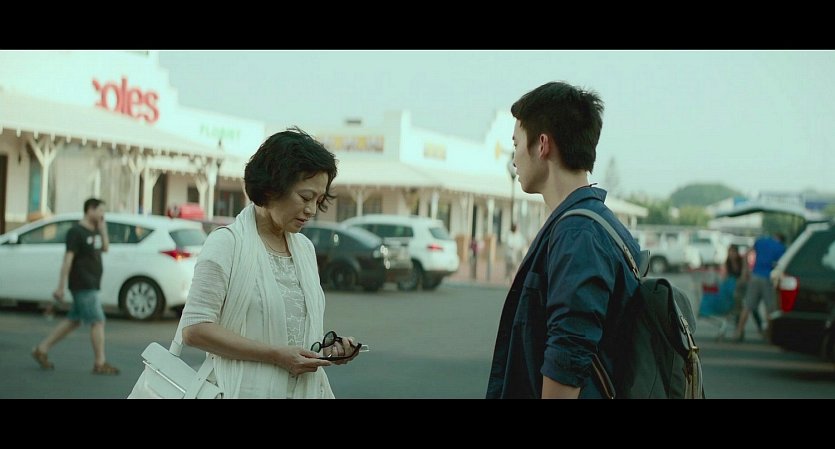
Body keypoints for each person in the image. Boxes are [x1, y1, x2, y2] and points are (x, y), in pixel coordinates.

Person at [179, 127, 361, 399]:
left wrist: (326, 350)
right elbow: (194, 330)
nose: (312, 210)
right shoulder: (227, 244)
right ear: (272, 187)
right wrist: (276, 355)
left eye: (319, 200)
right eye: (305, 197)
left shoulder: (304, 249)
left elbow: (293, 335)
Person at [487, 81, 642, 399]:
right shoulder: (592, 223)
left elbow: (567, 358)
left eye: (516, 143)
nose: (514, 158)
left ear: (542, 144)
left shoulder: (578, 234)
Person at [32, 198, 119, 375]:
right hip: (82, 283)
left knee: (74, 321)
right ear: (90, 210)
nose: (103, 215)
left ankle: (41, 349)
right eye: (100, 211)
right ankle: (100, 362)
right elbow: (68, 260)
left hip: (93, 282)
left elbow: (105, 248)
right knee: (97, 321)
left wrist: (103, 230)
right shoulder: (76, 232)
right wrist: (61, 286)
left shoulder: (96, 230)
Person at [733, 232, 786, 341]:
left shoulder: (761, 241)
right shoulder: (781, 248)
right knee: (770, 309)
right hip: (769, 279)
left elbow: (746, 254)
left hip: (755, 276)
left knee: (747, 306)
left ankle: (739, 331)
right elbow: (781, 266)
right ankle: (769, 335)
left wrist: (745, 270)